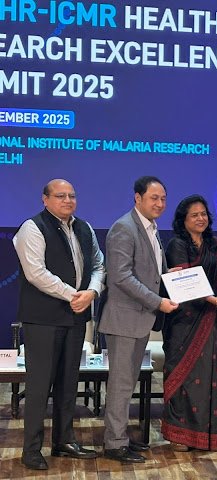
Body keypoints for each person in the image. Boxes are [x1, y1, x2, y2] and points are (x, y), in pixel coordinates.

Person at [13, 179, 105, 470]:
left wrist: (92, 292)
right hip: (43, 319)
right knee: (39, 386)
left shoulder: (84, 228)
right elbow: (35, 272)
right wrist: (73, 295)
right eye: (60, 196)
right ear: (45, 199)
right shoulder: (32, 227)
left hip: (76, 316)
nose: (67, 200)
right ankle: (31, 450)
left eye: (72, 196)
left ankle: (64, 441)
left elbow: (99, 265)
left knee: (68, 384)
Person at [99, 176, 179, 463]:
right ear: (137, 198)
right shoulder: (124, 228)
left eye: (163, 199)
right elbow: (121, 276)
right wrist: (158, 302)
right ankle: (114, 444)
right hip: (124, 320)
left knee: (127, 383)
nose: (160, 204)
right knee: (120, 384)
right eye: (154, 198)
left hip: (140, 320)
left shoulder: (151, 228)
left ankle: (120, 436)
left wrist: (172, 275)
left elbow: (151, 272)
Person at [161, 194, 217, 451]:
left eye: (203, 214)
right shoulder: (177, 244)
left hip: (210, 318)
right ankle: (180, 436)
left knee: (208, 377)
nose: (200, 218)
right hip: (183, 319)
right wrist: (215, 300)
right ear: (183, 220)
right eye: (194, 215)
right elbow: (184, 282)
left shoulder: (214, 243)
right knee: (184, 377)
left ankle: (208, 435)